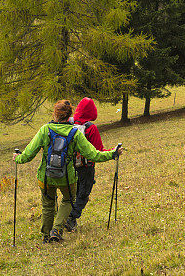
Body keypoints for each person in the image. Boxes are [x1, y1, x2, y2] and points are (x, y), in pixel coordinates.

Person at [13, 99, 122, 243]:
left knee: (48, 204)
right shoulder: (75, 133)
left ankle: (46, 235)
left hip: (45, 177)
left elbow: (28, 155)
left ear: (55, 114)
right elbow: (93, 154)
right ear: (70, 114)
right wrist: (113, 153)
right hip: (67, 177)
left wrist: (18, 158)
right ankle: (57, 230)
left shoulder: (45, 130)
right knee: (68, 200)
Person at [64, 97, 107, 232]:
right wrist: (113, 152)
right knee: (83, 193)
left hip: (68, 166)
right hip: (86, 167)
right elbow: (98, 151)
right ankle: (71, 219)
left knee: (70, 194)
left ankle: (63, 217)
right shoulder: (90, 128)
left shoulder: (68, 124)